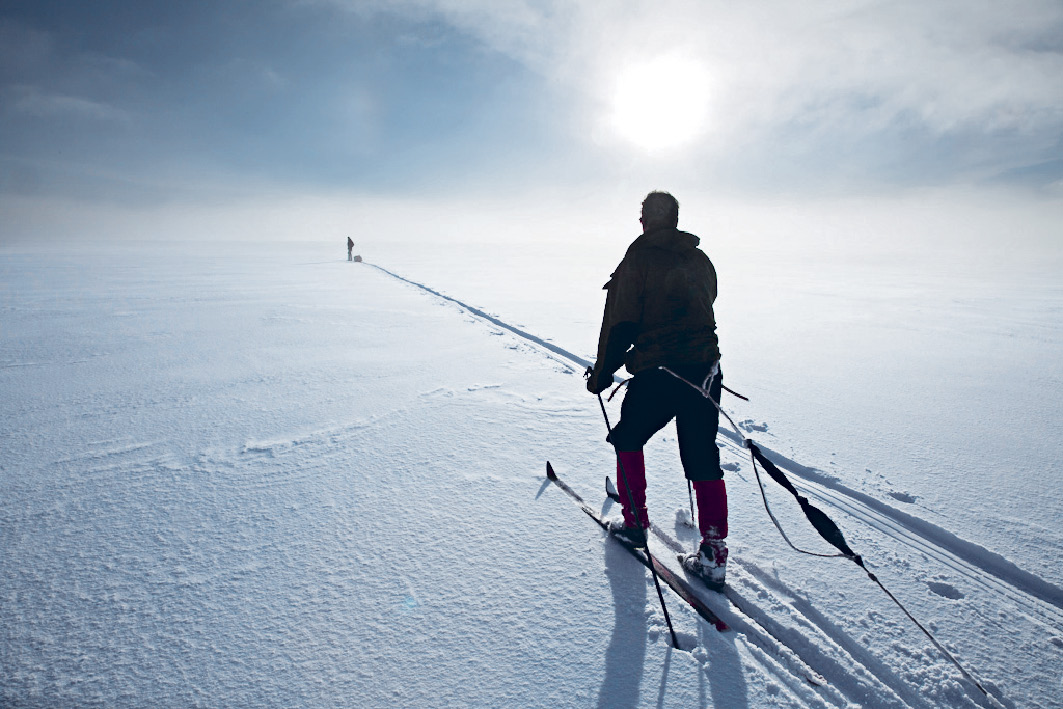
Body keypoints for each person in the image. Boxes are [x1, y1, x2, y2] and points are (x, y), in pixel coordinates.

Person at [586, 191, 729, 588]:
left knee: (628, 438)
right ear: (676, 220)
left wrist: (601, 374)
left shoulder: (638, 260)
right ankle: (714, 555)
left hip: (661, 370)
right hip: (706, 370)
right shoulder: (699, 258)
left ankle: (635, 525)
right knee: (702, 455)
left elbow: (620, 324)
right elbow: (707, 300)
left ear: (644, 221)